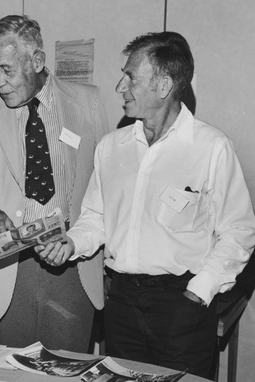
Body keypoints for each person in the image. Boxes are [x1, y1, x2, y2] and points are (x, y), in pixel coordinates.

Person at [35, 31, 255, 378]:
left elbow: (239, 231)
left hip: (181, 305)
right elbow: (96, 217)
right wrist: (71, 241)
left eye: (131, 77)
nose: (120, 86)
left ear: (164, 85)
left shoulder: (212, 147)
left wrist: (199, 292)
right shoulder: (112, 146)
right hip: (121, 304)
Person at [0, 15, 109, 352]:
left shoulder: (89, 103)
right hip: (8, 266)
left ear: (37, 61)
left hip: (72, 264)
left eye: (6, 69)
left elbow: (104, 186)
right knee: (9, 371)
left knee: (65, 370)